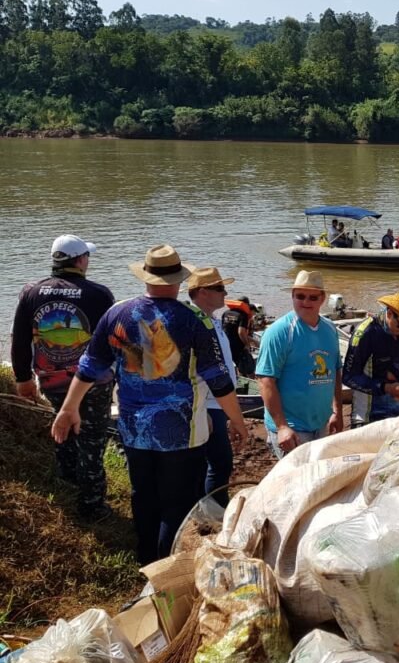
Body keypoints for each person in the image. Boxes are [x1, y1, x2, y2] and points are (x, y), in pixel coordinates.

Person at [52, 244, 247, 564]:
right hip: (182, 433)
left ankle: (146, 561)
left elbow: (90, 367)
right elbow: (219, 380)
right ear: (179, 280)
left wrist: (68, 408)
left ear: (145, 277)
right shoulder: (193, 319)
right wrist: (236, 421)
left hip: (134, 430)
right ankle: (166, 568)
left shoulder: (117, 313)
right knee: (177, 504)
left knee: (143, 496)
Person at [12, 234, 115, 521]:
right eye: (87, 257)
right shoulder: (99, 294)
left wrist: (22, 378)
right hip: (93, 384)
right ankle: (92, 505)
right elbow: (112, 342)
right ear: (81, 260)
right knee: (92, 440)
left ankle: (68, 484)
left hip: (52, 380)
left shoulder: (31, 292)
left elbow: (20, 340)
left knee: (63, 429)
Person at [256, 270, 344, 459]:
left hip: (321, 423)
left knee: (318, 473)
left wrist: (337, 411)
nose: (306, 302)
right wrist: (282, 427)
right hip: (292, 427)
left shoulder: (330, 329)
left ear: (322, 298)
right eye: (300, 296)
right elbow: (265, 381)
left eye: (313, 297)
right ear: (292, 296)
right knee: (296, 476)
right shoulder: (279, 332)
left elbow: (335, 371)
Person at [187, 267, 238, 507]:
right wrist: (203, 410)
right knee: (219, 463)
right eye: (219, 288)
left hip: (218, 401)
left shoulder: (212, 320)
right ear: (202, 292)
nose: (225, 293)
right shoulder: (195, 321)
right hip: (207, 403)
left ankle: (209, 508)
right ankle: (214, 509)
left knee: (214, 463)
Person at [343, 291, 399, 426]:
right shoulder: (366, 333)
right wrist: (386, 388)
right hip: (369, 417)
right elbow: (349, 377)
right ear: (389, 314)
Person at [221, 296, 256, 376]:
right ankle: (244, 381)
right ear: (246, 305)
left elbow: (222, 329)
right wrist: (247, 344)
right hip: (237, 345)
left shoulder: (226, 313)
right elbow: (241, 332)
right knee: (245, 366)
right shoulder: (243, 315)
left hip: (225, 343)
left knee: (231, 363)